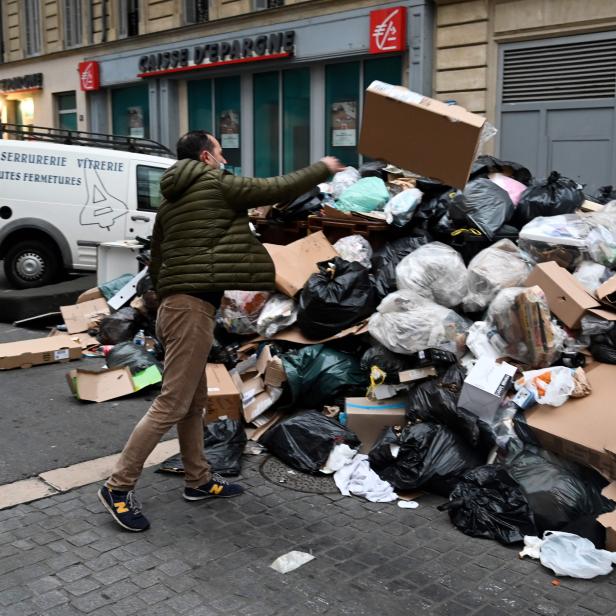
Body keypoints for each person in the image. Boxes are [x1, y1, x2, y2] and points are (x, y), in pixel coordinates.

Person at [98, 130, 344, 531]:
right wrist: (323, 169)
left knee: (193, 403)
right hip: (189, 307)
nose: (225, 158)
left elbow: (156, 257)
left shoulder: (172, 199)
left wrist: (166, 298)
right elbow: (275, 187)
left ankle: (197, 479)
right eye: (220, 152)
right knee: (172, 403)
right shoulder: (212, 182)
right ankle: (118, 486)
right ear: (205, 157)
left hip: (179, 305)